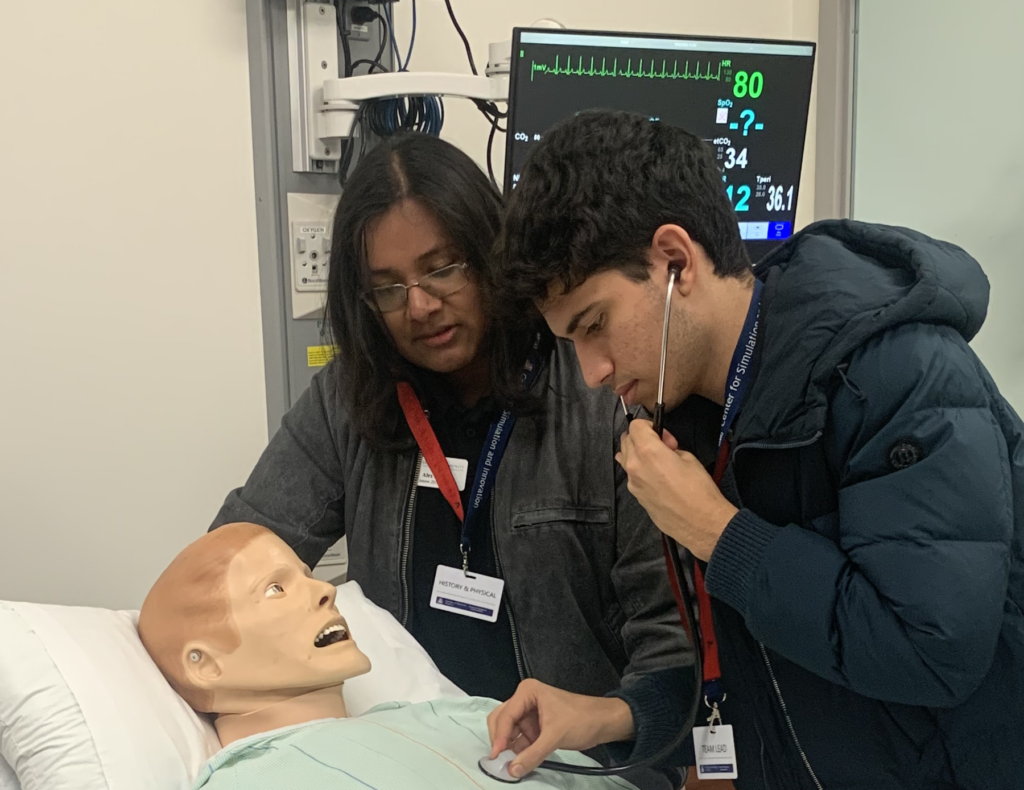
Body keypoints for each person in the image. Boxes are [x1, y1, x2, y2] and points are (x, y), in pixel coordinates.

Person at [486, 110, 1024, 790]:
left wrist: (719, 532)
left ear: (676, 261)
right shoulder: (685, 415)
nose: (592, 370)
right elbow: (752, 673)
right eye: (572, 343)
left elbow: (931, 652)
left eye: (596, 326)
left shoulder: (899, 371)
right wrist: (607, 715)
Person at [210, 133, 689, 787]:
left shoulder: (601, 392)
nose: (420, 305)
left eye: (443, 269)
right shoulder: (349, 401)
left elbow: (674, 646)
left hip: (578, 768)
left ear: (490, 254)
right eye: (387, 288)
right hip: (409, 762)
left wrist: (606, 720)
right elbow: (232, 565)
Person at [139, 522, 645, 789]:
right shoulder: (248, 783)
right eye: (274, 589)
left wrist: (614, 718)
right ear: (205, 663)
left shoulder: (467, 716)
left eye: (306, 574)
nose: (323, 591)